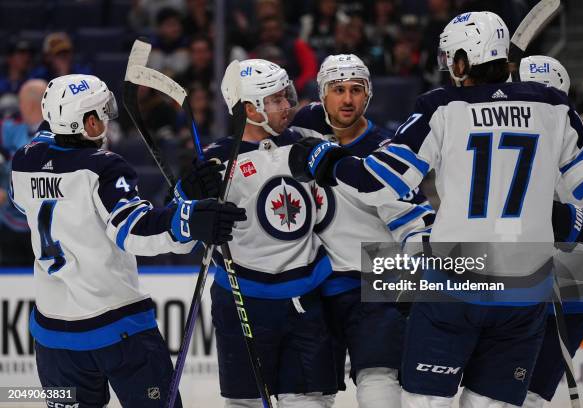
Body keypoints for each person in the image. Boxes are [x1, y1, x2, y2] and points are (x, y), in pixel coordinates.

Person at [288, 11, 583, 407]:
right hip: (526, 284)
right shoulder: (554, 107)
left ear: (462, 61)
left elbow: (380, 183)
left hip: (457, 277)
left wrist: (327, 160)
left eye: (449, 59)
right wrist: (573, 222)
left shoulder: (440, 106)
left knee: (425, 400)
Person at [9, 74, 246, 408]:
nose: (106, 121)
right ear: (88, 122)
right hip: (116, 329)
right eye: (101, 114)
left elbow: (28, 201)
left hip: (54, 339)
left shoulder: (24, 161)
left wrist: (184, 194)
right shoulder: (104, 167)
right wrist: (189, 220)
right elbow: (132, 230)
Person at [290, 54, 434, 408]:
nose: (348, 99)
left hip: (375, 278)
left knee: (378, 376)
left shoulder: (384, 153)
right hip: (313, 281)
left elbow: (417, 224)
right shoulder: (304, 127)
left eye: (357, 89)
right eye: (337, 90)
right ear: (322, 95)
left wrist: (413, 285)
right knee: (307, 390)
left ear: (368, 95)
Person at [204, 59, 337, 407]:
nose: (287, 105)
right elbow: (184, 223)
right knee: (245, 401)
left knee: (311, 400)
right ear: (250, 109)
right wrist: (191, 200)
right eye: (276, 100)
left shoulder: (305, 143)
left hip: (304, 295)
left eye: (287, 96)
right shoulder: (216, 161)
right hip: (243, 298)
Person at [518, 55, 583, 408]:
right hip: (513, 282)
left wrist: (567, 222)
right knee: (499, 394)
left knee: (531, 395)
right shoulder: (495, 145)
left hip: (574, 284)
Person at [0, 79, 47, 265]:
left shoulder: (61, 135)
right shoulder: (8, 128)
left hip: (47, 226)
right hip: (10, 224)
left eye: (21, 101)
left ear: (29, 105)